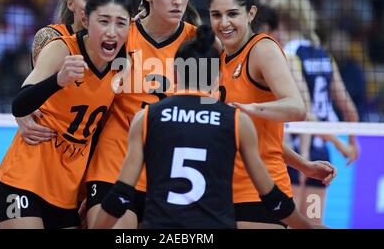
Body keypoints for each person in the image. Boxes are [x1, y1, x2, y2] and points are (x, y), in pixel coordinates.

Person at [91, 25, 315, 229]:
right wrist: (308, 226)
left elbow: (120, 194)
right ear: (218, 77)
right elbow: (272, 198)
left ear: (175, 73)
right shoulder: (236, 121)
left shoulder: (147, 117)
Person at [209, 0, 336, 229]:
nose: (224, 23)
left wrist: (252, 109)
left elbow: (297, 107)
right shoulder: (220, 58)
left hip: (261, 192)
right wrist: (304, 165)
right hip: (223, 191)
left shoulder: (262, 49)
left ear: (251, 13)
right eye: (216, 15)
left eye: (233, 14)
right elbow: (264, 137)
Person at [0, 0, 132, 229]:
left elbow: (100, 132)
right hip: (24, 181)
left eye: (121, 23)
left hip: (67, 195)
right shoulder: (62, 48)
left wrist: (91, 189)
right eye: (104, 21)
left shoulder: (124, 66)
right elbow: (20, 105)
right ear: (86, 20)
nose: (112, 32)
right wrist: (58, 80)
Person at [85, 0, 198, 229]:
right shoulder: (121, 35)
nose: (178, 0)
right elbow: (81, 88)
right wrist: (27, 112)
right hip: (114, 164)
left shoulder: (198, 43)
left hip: (169, 173)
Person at [261, 0, 359, 223]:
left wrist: (329, 147)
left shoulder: (287, 55)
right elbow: (347, 106)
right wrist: (352, 142)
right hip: (320, 152)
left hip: (295, 152)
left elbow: (305, 112)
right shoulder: (324, 55)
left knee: (289, 222)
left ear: (281, 21)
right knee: (313, 221)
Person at [18, 0, 111, 145]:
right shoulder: (51, 37)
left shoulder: (115, 43)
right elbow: (31, 92)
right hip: (47, 142)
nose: (96, 5)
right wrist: (21, 114)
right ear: (70, 4)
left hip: (86, 149)